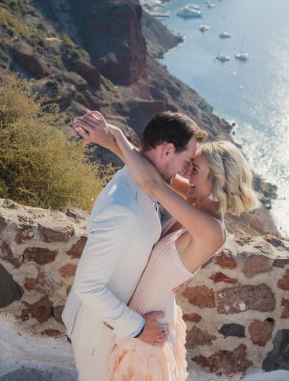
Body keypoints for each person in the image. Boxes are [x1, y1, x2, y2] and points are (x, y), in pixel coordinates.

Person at [73, 110, 260, 381]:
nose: (187, 174)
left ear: (216, 180)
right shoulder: (198, 204)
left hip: (145, 332)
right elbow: (151, 171)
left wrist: (118, 135)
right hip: (143, 320)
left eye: (195, 170)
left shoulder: (211, 230)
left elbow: (151, 183)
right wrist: (106, 137)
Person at [62, 111, 207, 381]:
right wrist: (140, 328)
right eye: (186, 161)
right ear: (167, 151)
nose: (186, 172)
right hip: (99, 335)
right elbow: (88, 286)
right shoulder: (122, 210)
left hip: (117, 331)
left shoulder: (143, 182)